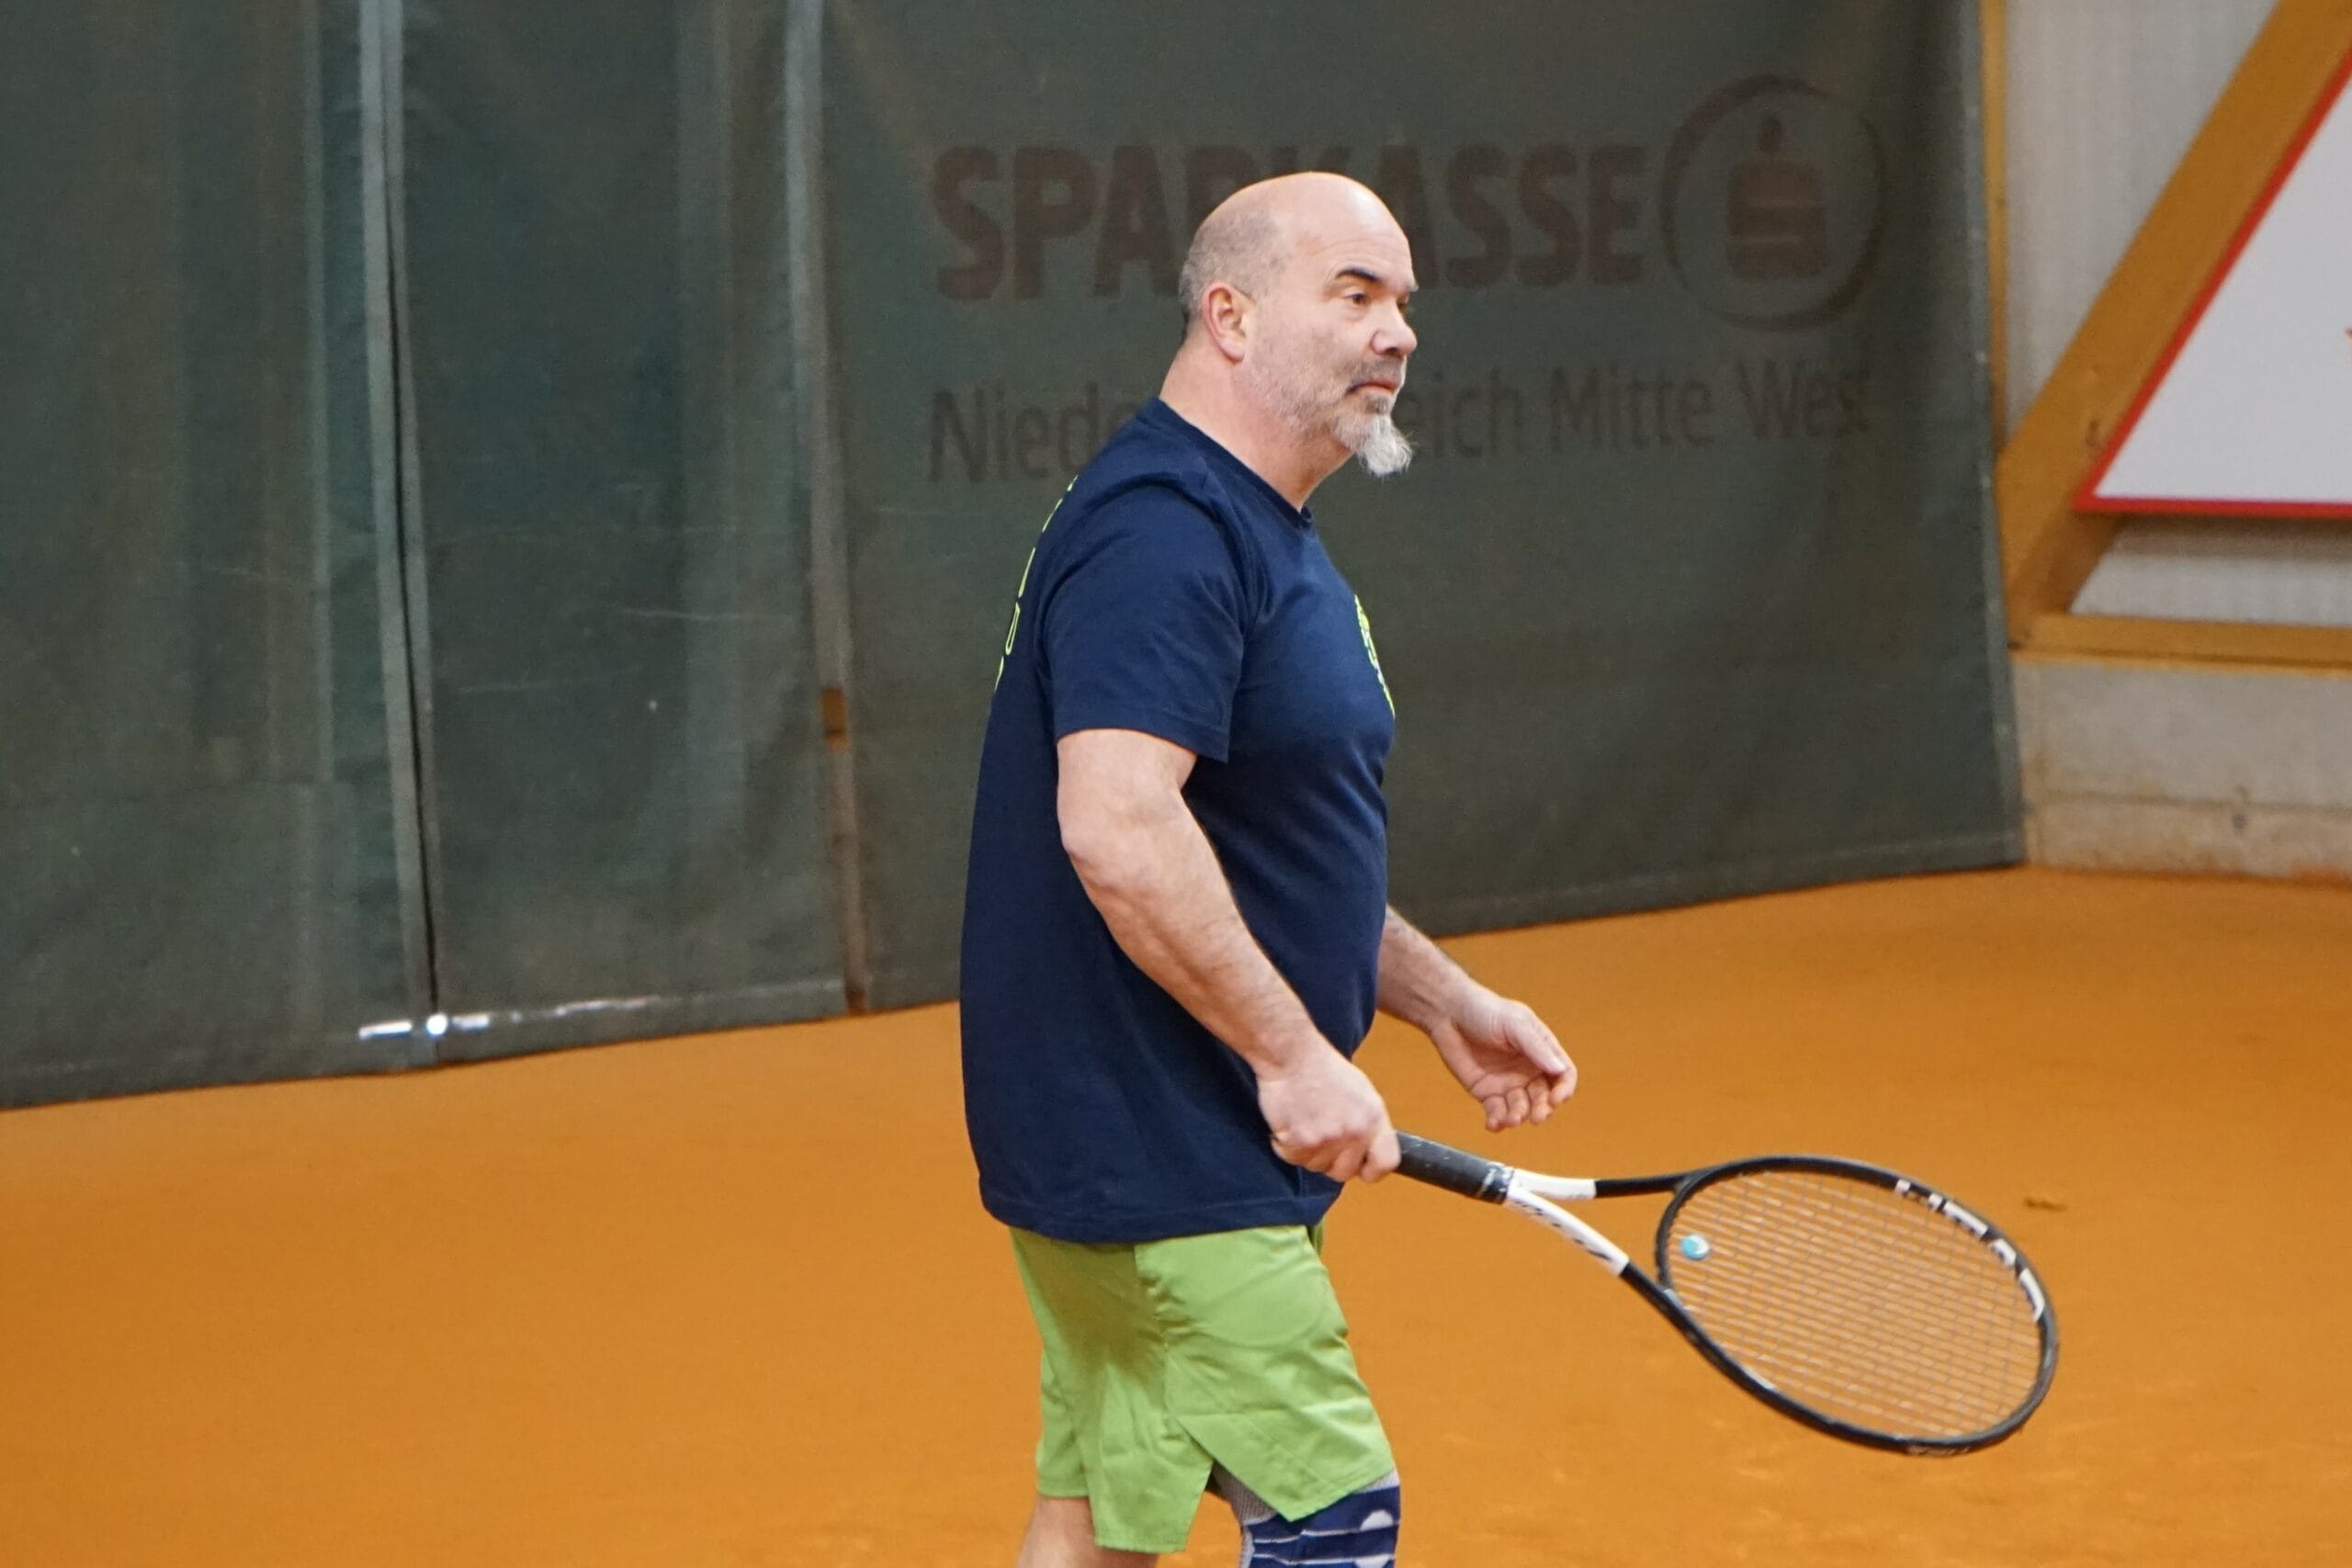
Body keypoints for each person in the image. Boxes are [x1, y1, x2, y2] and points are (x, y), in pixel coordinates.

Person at [960, 172, 1577, 1568]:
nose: (1397, 331)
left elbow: (1255, 848)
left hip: (1140, 1139)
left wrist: (1439, 999)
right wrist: (1292, 1056)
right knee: (1331, 1522)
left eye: (1402, 301)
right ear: (1230, 317)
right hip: (1159, 1141)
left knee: (1100, 1519)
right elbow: (1119, 826)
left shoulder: (1248, 528)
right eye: (1354, 294)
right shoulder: (1164, 532)